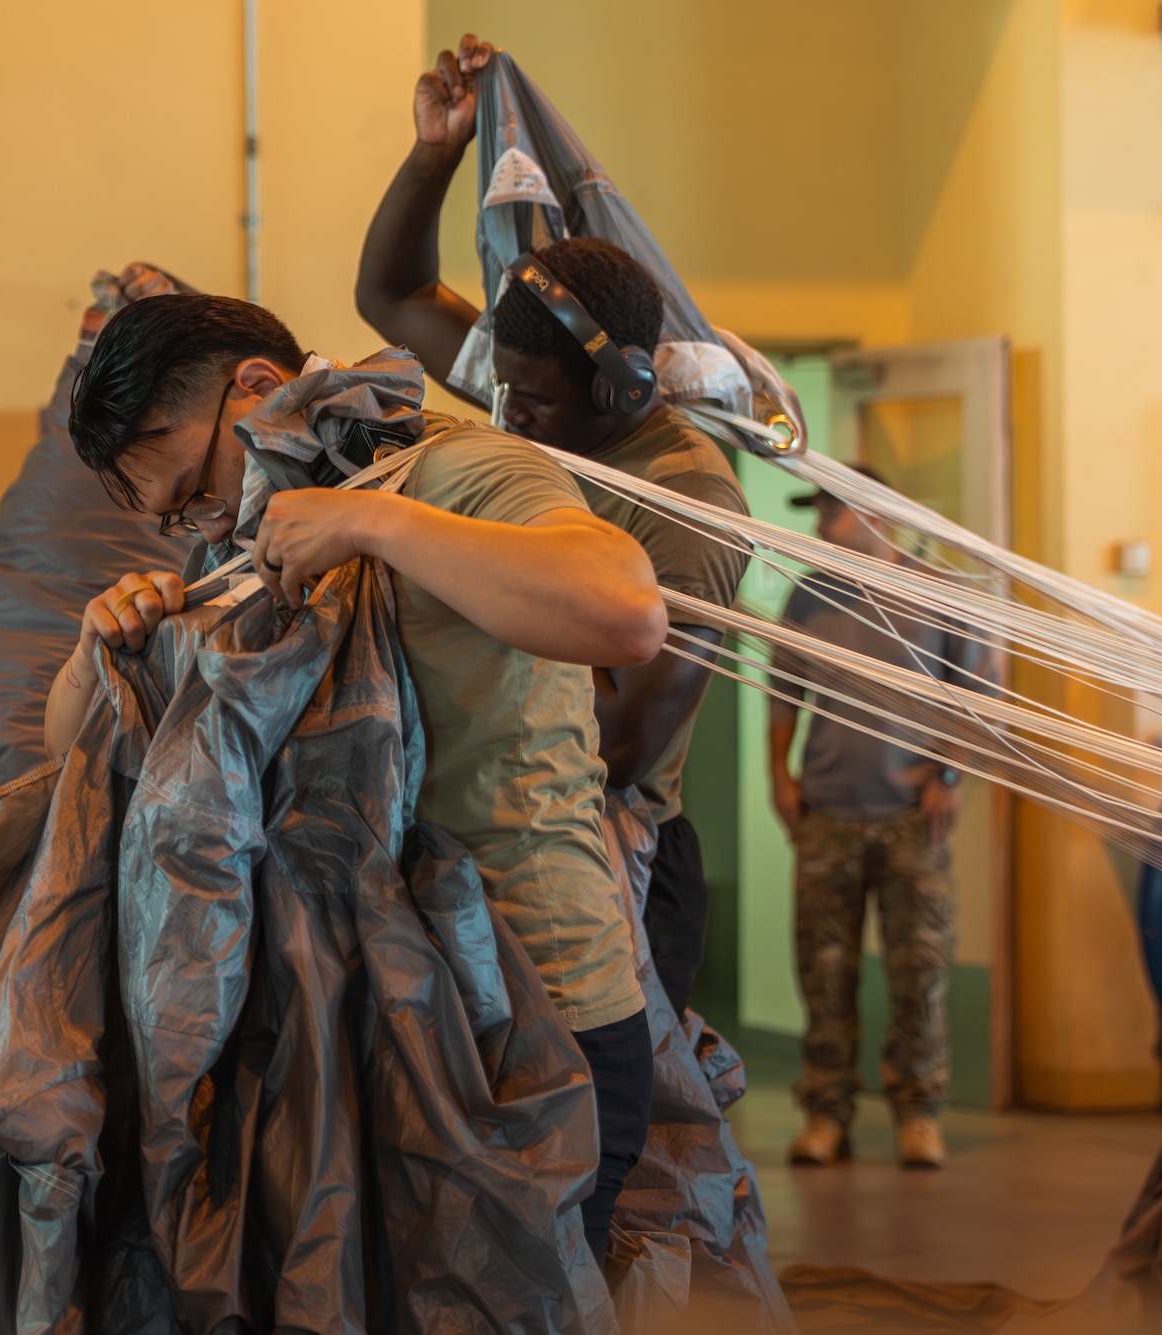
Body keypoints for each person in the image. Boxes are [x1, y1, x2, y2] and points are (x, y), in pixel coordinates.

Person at [43, 292, 667, 1263]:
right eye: (176, 518)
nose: (202, 523)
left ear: (255, 387)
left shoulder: (458, 471)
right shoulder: (249, 551)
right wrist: (97, 652)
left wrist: (378, 526)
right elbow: (73, 765)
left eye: (197, 490)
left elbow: (623, 611)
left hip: (531, 1014)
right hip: (360, 1022)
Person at [354, 33, 751, 1017]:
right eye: (505, 391)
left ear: (620, 387)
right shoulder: (528, 404)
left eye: (530, 402)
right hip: (497, 821)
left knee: (619, 1140)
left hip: (611, 858)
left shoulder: (689, 506)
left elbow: (619, 738)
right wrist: (434, 153)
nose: (507, 416)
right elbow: (389, 296)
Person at [767, 468, 984, 1170]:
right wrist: (780, 774)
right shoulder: (808, 596)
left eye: (832, 507)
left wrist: (948, 774)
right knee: (824, 974)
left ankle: (919, 1114)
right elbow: (780, 693)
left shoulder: (939, 595)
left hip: (908, 822)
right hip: (828, 814)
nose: (820, 522)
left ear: (877, 517)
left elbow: (976, 700)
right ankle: (827, 1113)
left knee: (918, 974)